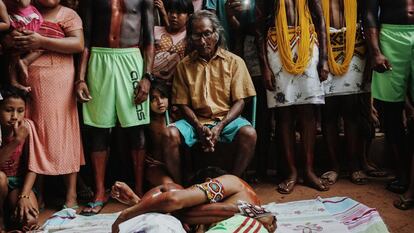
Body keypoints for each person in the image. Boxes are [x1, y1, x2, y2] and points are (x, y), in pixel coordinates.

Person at [5, 0, 85, 211]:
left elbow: (78, 44)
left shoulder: (68, 14)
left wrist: (40, 40)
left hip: (59, 77)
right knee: (35, 133)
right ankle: (37, 193)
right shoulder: (26, 13)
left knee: (62, 131)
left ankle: (71, 195)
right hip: (29, 79)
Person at [77, 0, 154, 215]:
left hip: (130, 59)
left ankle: (138, 190)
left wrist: (147, 76)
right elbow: (86, 40)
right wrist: (80, 78)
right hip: (99, 59)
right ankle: (100, 192)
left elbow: (149, 40)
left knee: (136, 129)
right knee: (99, 128)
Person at [163, 10, 257, 184]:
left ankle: (233, 183)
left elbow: (240, 101)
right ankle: (180, 186)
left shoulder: (235, 62)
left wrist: (220, 126)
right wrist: (199, 127)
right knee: (169, 134)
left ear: (216, 33)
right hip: (194, 121)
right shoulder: (184, 66)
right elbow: (182, 104)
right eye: (197, 35)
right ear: (190, 37)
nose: (203, 40)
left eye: (207, 33)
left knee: (249, 133)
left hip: (226, 120)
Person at [258, 0, 329, 194]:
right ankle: (292, 172)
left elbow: (321, 20)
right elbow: (259, 28)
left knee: (308, 112)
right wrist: (264, 67)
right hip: (275, 45)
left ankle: (309, 170)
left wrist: (323, 59)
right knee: (284, 114)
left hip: (306, 43)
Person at [111, 167, 277, 233]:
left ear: (208, 180)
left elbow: (173, 200)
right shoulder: (233, 209)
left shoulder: (231, 182)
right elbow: (176, 210)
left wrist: (128, 213)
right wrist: (136, 202)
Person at [365, 0, 414, 193]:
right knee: (390, 110)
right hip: (391, 36)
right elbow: (369, 13)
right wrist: (376, 51)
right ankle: (402, 173)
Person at [319, 0, 370, 185]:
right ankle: (334, 166)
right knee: (329, 112)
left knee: (352, 111)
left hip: (354, 45)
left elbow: (368, 17)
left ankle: (354, 165)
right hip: (324, 48)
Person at [0, 86, 39, 232]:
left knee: (30, 222)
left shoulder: (28, 127)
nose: (15, 116)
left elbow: (33, 167)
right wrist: (16, 141)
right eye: (8, 110)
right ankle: (1, 219)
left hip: (19, 184)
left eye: (20, 111)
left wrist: (24, 196)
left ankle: (12, 213)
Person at [3, 0, 44, 93]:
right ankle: (14, 81)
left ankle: (25, 62)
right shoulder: (9, 10)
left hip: (29, 37)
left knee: (40, 48)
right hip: (16, 37)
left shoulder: (34, 10)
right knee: (13, 58)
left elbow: (39, 23)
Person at [153, 0, 193, 86]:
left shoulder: (190, 37)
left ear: (189, 17)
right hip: (151, 82)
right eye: (171, 12)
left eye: (179, 13)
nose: (174, 16)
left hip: (176, 86)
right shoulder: (155, 31)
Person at [145, 81, 175, 186]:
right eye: (154, 99)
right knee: (171, 187)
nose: (160, 102)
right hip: (156, 166)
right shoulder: (146, 123)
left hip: (175, 166)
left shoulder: (175, 119)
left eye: (163, 97)